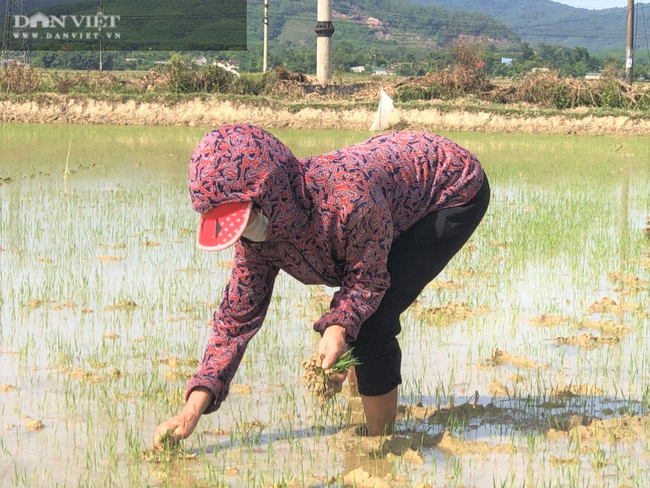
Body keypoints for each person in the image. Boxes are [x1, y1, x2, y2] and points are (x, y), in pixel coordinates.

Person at [153, 124, 490, 448]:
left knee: (373, 321)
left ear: (273, 194)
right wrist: (191, 410)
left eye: (245, 218)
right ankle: (369, 402)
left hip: (450, 188)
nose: (243, 235)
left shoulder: (349, 201)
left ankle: (380, 443)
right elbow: (235, 320)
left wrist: (339, 328)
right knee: (354, 320)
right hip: (391, 195)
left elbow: (367, 280)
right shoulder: (257, 240)